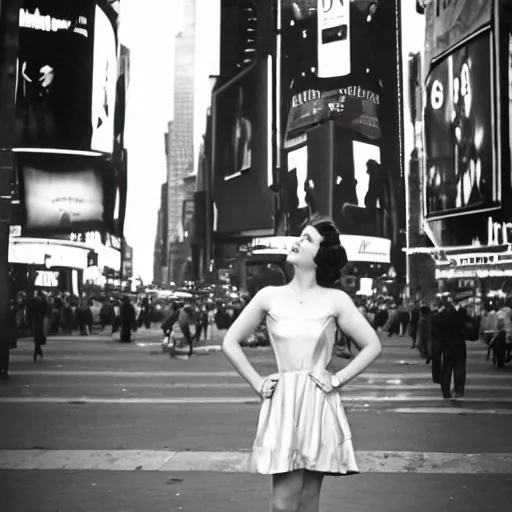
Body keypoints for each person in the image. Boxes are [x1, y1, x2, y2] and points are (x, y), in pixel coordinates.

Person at [222, 215, 382, 512]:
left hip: (318, 401)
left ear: (320, 255)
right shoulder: (269, 296)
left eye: (307, 239)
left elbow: (373, 345)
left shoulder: (336, 300)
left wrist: (337, 379)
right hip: (283, 402)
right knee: (282, 503)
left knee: (308, 501)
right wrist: (258, 382)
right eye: (301, 236)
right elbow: (229, 342)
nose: (297, 241)